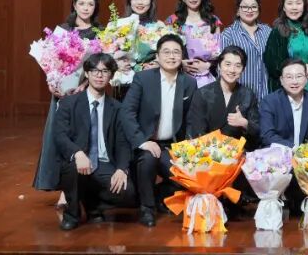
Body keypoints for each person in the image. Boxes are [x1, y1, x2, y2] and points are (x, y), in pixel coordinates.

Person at [119, 33, 198, 226]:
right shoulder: (143, 79)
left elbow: (191, 118)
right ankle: (147, 209)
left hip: (172, 145)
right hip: (146, 141)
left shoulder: (189, 82)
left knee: (187, 179)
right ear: (157, 56)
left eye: (176, 52)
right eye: (166, 52)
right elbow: (127, 113)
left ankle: (157, 196)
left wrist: (188, 148)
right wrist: (142, 141)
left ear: (182, 56)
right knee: (148, 159)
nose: (171, 56)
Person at [53, 52, 137, 230]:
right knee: (74, 171)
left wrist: (122, 169)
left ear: (111, 76)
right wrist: (77, 153)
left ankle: (93, 205)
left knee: (128, 193)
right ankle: (72, 214)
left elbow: (123, 143)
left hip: (104, 163)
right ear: (87, 73)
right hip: (77, 161)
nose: (99, 75)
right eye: (95, 71)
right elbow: (60, 135)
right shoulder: (69, 103)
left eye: (105, 71)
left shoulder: (117, 108)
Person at [35, 0, 102, 194]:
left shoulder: (100, 32)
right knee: (62, 137)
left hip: (87, 93)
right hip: (61, 95)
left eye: (90, 4)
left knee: (83, 138)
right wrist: (52, 82)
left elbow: (101, 65)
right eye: (81, 3)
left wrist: (85, 85)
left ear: (96, 7)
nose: (86, 8)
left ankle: (81, 188)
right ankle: (64, 189)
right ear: (74, 5)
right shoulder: (63, 30)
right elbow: (51, 62)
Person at [187, 45, 260, 143]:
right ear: (219, 66)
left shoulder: (248, 95)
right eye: (228, 64)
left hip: (238, 149)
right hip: (208, 149)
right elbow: (195, 132)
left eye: (238, 66)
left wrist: (245, 123)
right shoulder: (202, 94)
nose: (232, 70)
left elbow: (257, 132)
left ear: (243, 69)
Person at [259, 58, 308, 147]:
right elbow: (267, 136)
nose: (294, 81)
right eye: (289, 77)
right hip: (278, 153)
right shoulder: (269, 102)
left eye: (299, 76)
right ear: (281, 80)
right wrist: (294, 149)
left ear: (306, 78)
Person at [166, 0, 222, 86]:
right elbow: (166, 50)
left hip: (207, 78)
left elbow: (219, 52)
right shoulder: (173, 21)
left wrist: (208, 65)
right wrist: (180, 63)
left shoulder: (213, 21)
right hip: (180, 78)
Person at [220, 0, 272, 101]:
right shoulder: (228, 34)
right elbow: (222, 70)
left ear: (259, 9)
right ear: (238, 10)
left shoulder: (268, 31)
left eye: (253, 6)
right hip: (240, 97)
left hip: (265, 96)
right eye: (245, 7)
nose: (249, 10)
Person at [263, 0, 308, 93]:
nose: (294, 7)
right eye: (290, 3)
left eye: (298, 3)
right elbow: (273, 66)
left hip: (307, 86)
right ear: (283, 7)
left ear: (304, 6)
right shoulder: (277, 31)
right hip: (285, 89)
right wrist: (301, 69)